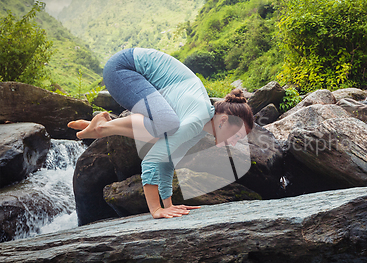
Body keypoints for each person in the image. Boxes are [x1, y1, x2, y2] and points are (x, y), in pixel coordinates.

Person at [68, 48, 254, 219]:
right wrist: (156, 210)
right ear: (223, 121)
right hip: (122, 68)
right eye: (237, 135)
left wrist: (169, 204)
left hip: (132, 75)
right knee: (167, 125)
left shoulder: (199, 128)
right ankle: (105, 127)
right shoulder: (197, 118)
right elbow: (152, 159)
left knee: (166, 131)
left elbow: (168, 160)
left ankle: (103, 127)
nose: (236, 142)